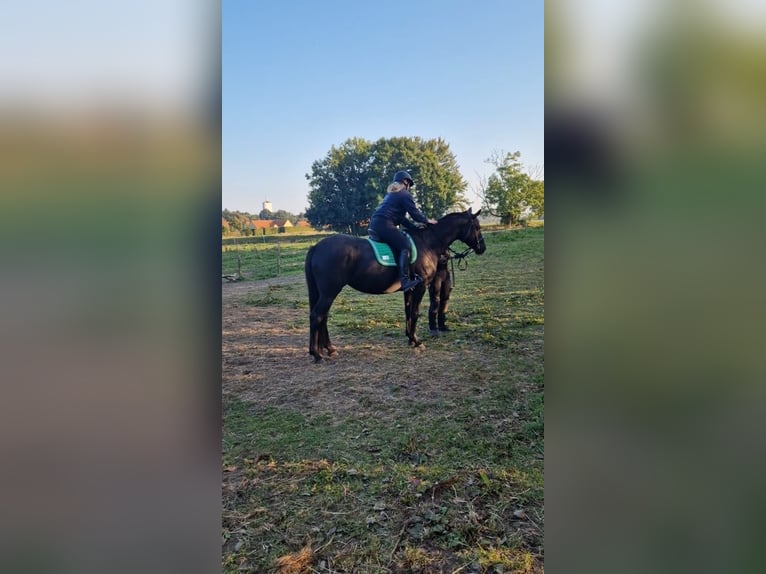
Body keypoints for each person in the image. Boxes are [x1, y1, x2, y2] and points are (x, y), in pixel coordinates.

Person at [368, 170, 437, 292]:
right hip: (385, 225)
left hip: (375, 224)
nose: (409, 187)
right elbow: (415, 214)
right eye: (409, 184)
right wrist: (427, 221)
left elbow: (401, 219)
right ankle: (405, 281)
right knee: (405, 245)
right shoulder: (404, 194)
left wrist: (415, 228)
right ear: (405, 182)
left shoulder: (391, 195)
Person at [428, 250, 453, 333]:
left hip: (445, 273)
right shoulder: (432, 243)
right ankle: (433, 327)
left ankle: (442, 324)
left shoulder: (444, 245)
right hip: (435, 275)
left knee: (445, 299)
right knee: (435, 300)